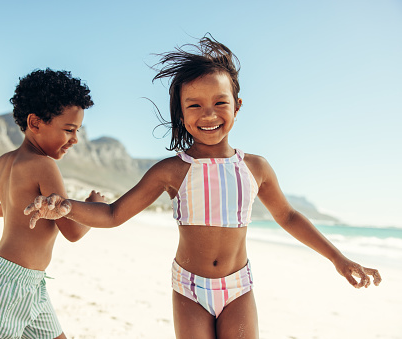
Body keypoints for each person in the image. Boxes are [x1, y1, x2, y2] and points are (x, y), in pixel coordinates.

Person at [24, 37, 382, 339]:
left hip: (238, 286)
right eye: (194, 105)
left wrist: (339, 258)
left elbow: (287, 215)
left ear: (237, 106)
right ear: (181, 114)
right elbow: (115, 213)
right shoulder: (172, 170)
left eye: (219, 103)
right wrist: (67, 206)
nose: (208, 114)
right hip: (190, 288)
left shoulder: (255, 168)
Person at [0, 68, 104, 339]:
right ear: (35, 123)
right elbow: (72, 232)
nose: (75, 140)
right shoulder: (44, 165)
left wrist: (13, 211)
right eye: (69, 130)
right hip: (8, 285)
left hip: (27, 284)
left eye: (77, 131)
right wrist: (91, 204)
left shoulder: (3, 161)